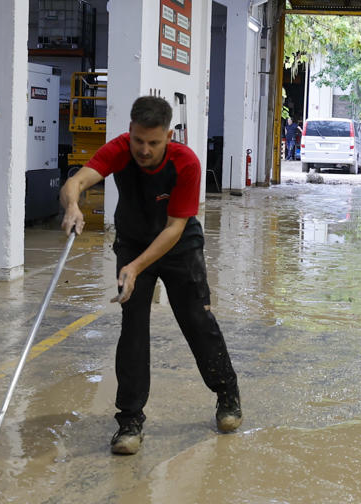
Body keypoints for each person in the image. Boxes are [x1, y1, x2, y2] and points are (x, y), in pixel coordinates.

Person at [59, 94, 242, 455]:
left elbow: (175, 228)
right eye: (139, 140)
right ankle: (129, 421)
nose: (144, 150)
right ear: (130, 132)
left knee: (196, 321)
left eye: (153, 143)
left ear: (168, 136)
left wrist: (136, 266)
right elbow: (76, 182)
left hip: (178, 245)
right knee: (133, 326)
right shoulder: (120, 149)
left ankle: (227, 395)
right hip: (131, 240)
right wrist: (72, 207)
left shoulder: (186, 162)